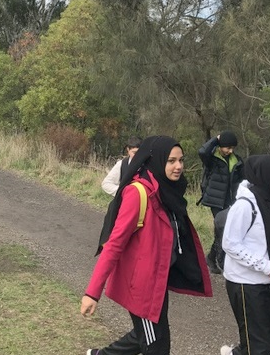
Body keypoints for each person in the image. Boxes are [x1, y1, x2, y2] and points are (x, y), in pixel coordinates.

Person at [82, 136, 212, 355]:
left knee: (145, 335)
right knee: (156, 346)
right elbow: (114, 245)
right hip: (142, 287)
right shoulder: (139, 193)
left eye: (181, 160)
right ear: (156, 160)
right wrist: (92, 293)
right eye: (171, 161)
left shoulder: (168, 191)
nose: (178, 166)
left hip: (157, 283)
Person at [220, 155, 270, 355]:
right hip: (246, 284)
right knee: (259, 345)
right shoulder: (245, 205)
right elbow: (229, 243)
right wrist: (265, 266)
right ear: (268, 176)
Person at [199, 130, 245, 274]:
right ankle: (219, 259)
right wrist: (216, 139)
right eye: (227, 147)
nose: (230, 151)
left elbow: (241, 180)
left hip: (230, 200)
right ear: (220, 146)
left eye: (233, 148)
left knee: (226, 230)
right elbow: (202, 151)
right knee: (223, 229)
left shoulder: (237, 160)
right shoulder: (212, 158)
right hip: (215, 200)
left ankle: (212, 257)